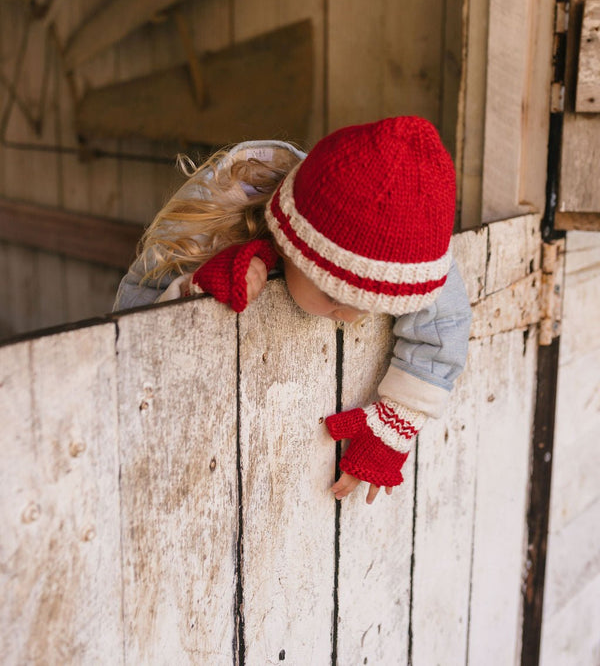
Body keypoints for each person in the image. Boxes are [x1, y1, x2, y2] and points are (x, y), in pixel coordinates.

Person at [114, 117, 472, 504]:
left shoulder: (408, 251)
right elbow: (135, 337)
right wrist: (197, 288)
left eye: (374, 308)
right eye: (333, 295)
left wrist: (398, 421)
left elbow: (445, 318)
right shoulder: (213, 226)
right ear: (288, 245)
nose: (349, 316)